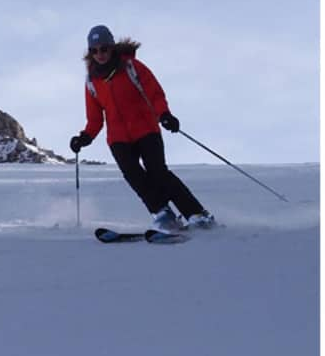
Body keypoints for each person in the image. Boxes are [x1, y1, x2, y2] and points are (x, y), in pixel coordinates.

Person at [69, 25, 217, 233]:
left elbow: (154, 93)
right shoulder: (92, 81)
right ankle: (163, 214)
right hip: (118, 137)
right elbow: (95, 119)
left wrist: (164, 114)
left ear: (112, 48)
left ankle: (196, 214)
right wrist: (84, 137)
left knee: (158, 173)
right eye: (94, 50)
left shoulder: (131, 67)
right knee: (133, 175)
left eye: (104, 48)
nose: (100, 54)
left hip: (145, 129)